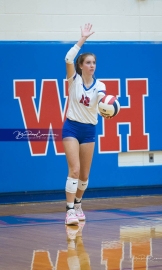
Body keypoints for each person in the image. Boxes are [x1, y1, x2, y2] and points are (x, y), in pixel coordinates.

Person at [62, 23, 107, 225]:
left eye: (94, 63)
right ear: (81, 65)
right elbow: (68, 58)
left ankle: (78, 203)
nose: (92, 65)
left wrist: (107, 109)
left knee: (85, 175)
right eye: (88, 62)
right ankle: (69, 210)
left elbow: (103, 101)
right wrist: (82, 39)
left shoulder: (100, 86)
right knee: (74, 170)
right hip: (71, 127)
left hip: (89, 130)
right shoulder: (74, 80)